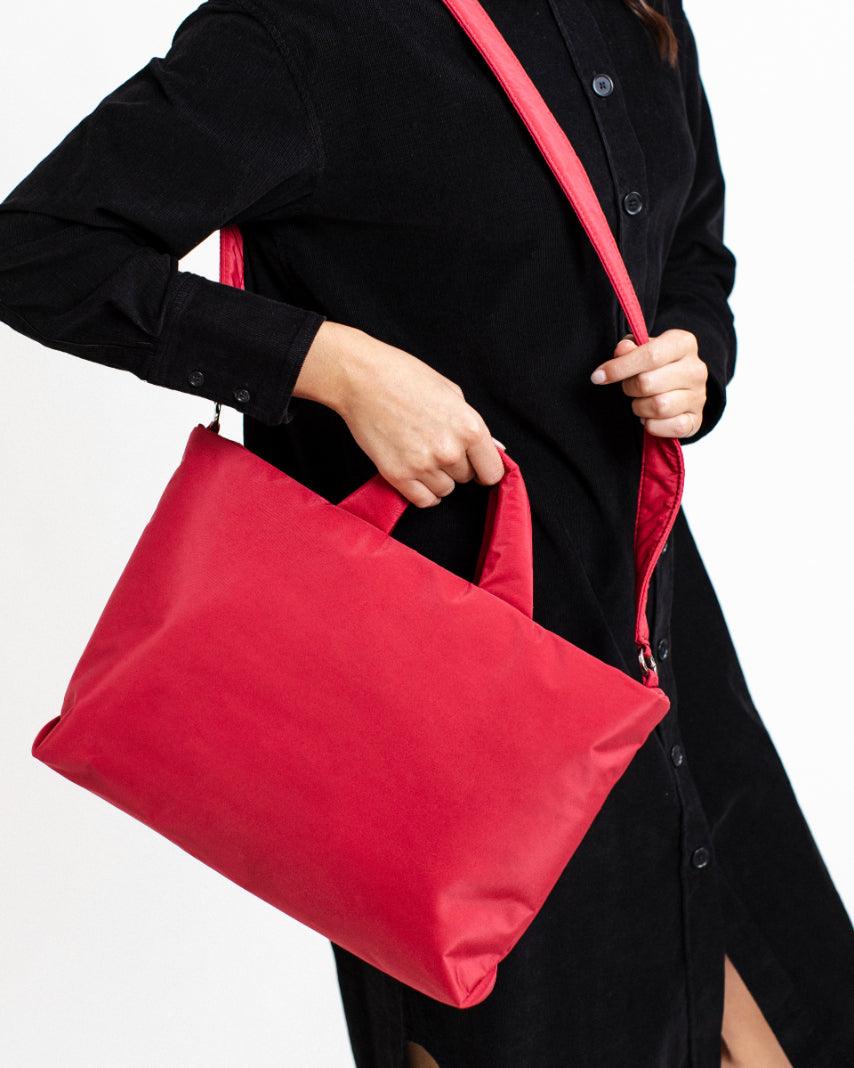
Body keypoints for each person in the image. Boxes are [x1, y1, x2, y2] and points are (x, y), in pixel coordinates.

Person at [1, 1, 852, 1064]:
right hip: (445, 700)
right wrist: (335, 367)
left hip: (657, 638)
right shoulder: (306, 28)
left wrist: (694, 355)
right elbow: (38, 248)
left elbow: (689, 247)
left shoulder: (636, 9)